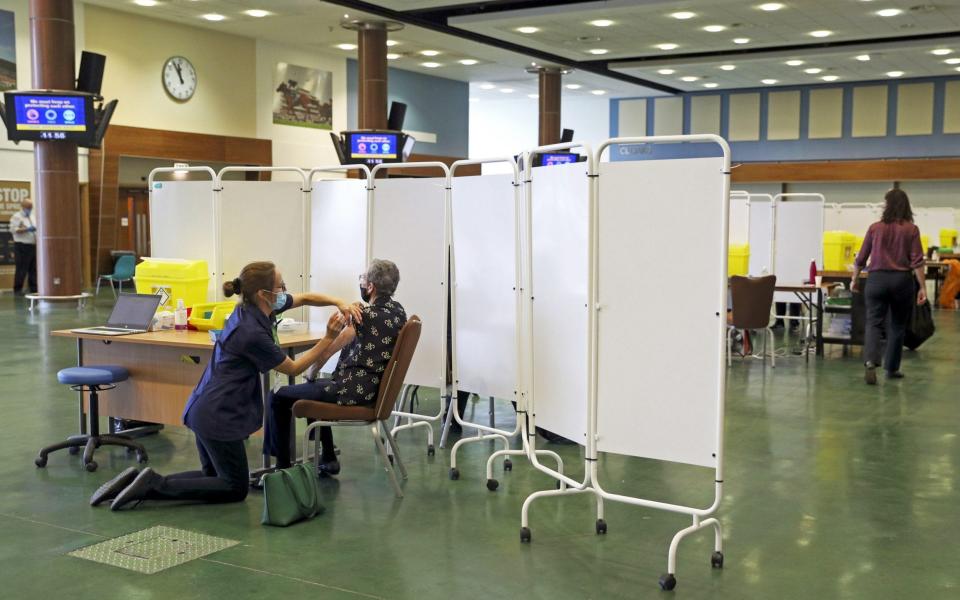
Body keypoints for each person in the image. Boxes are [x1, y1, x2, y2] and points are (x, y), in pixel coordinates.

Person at [91, 261, 361, 510]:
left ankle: (140, 480)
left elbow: (304, 298)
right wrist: (329, 338)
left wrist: (337, 301)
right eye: (280, 287)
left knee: (214, 478)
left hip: (206, 406)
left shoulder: (252, 308)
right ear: (264, 294)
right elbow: (293, 368)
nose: (285, 291)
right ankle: (152, 485)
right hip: (218, 414)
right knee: (234, 487)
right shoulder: (251, 332)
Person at [265, 259, 406, 477]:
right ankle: (328, 457)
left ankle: (282, 470)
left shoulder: (362, 316)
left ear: (370, 287)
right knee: (315, 388)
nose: (361, 282)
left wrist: (312, 370)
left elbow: (331, 347)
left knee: (279, 397)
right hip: (372, 389)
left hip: (351, 390)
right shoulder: (398, 312)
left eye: (363, 278)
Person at [851, 189, 926, 385]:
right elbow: (917, 261)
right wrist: (923, 287)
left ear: (887, 205)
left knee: (874, 322)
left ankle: (870, 361)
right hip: (901, 281)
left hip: (876, 280)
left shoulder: (875, 228)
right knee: (897, 325)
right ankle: (892, 369)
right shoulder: (911, 229)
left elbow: (861, 258)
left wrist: (854, 279)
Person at [9, 199, 37, 295]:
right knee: (21, 268)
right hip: (22, 246)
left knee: (33, 268)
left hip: (32, 245)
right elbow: (13, 230)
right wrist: (26, 229)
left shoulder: (32, 216)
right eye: (28, 207)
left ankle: (34, 288)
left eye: (31, 207)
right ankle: (18, 289)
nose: (30, 209)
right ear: (23, 207)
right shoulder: (17, 217)